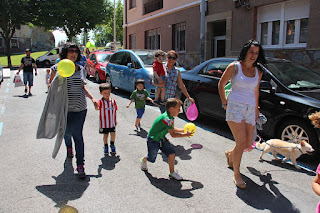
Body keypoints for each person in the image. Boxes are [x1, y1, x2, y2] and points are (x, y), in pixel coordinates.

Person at [218, 39, 266, 189]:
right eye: (251, 52)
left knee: (247, 144)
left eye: (257, 53)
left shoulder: (258, 70)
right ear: (245, 51)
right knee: (241, 143)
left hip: (250, 108)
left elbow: (256, 90)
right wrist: (225, 102)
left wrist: (257, 108)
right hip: (235, 107)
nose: (254, 55)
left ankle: (230, 154)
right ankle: (237, 175)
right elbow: (221, 83)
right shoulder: (235, 67)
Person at [50, 42, 98, 178]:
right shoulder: (56, 68)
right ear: (65, 53)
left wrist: (93, 98)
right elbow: (50, 88)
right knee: (66, 133)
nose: (74, 53)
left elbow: (82, 87)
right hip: (64, 109)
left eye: (76, 51)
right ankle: (68, 147)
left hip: (80, 109)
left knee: (77, 135)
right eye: (71, 50)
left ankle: (80, 166)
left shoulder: (81, 69)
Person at [140, 98, 193, 180]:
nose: (180, 110)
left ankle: (172, 173)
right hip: (153, 140)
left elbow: (172, 128)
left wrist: (183, 130)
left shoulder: (170, 117)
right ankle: (143, 159)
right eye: (178, 109)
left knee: (171, 154)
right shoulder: (167, 118)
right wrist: (185, 134)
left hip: (161, 138)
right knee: (151, 158)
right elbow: (173, 134)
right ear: (171, 109)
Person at [95, 83, 118, 155]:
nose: (107, 94)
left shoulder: (113, 101)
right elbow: (97, 108)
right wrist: (96, 106)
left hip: (111, 122)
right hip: (104, 123)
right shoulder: (100, 101)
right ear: (101, 93)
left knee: (113, 134)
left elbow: (115, 111)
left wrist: (115, 120)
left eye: (108, 92)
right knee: (105, 135)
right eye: (105, 93)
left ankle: (112, 144)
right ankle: (105, 146)